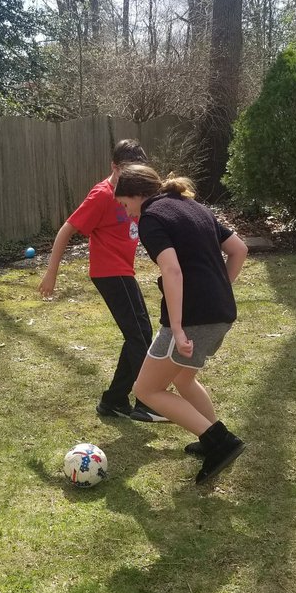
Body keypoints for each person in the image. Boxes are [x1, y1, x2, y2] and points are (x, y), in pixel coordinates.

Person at [114, 163, 248, 484]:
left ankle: (220, 442)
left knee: (146, 389)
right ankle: (213, 438)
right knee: (185, 380)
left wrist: (176, 327)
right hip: (221, 313)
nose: (128, 213)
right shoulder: (193, 206)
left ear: (138, 195)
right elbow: (239, 250)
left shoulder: (152, 218)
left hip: (191, 320)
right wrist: (219, 292)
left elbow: (172, 271)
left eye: (126, 205)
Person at [39, 140, 167, 423]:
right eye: (126, 171)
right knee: (139, 335)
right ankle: (146, 402)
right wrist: (52, 272)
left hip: (124, 271)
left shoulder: (136, 191)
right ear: (114, 167)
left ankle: (114, 401)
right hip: (109, 272)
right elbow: (67, 229)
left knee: (139, 333)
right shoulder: (101, 194)